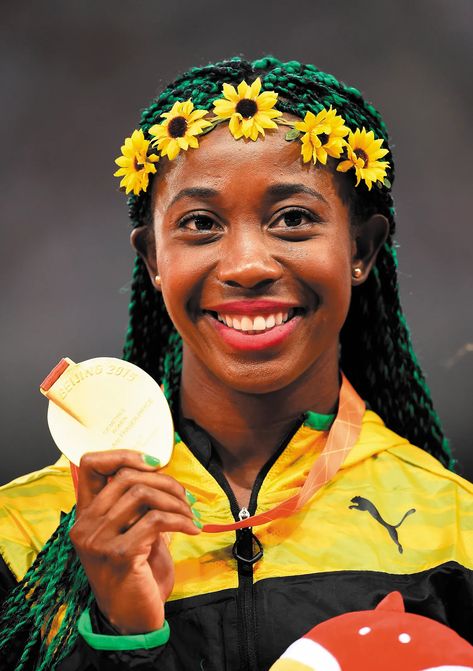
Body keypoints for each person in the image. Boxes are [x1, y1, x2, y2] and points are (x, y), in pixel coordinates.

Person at [0, 56, 471, 671]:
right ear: (154, 261)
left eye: (294, 219)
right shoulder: (26, 531)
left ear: (361, 249)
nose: (247, 264)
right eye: (200, 223)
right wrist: (123, 635)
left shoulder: (455, 528)